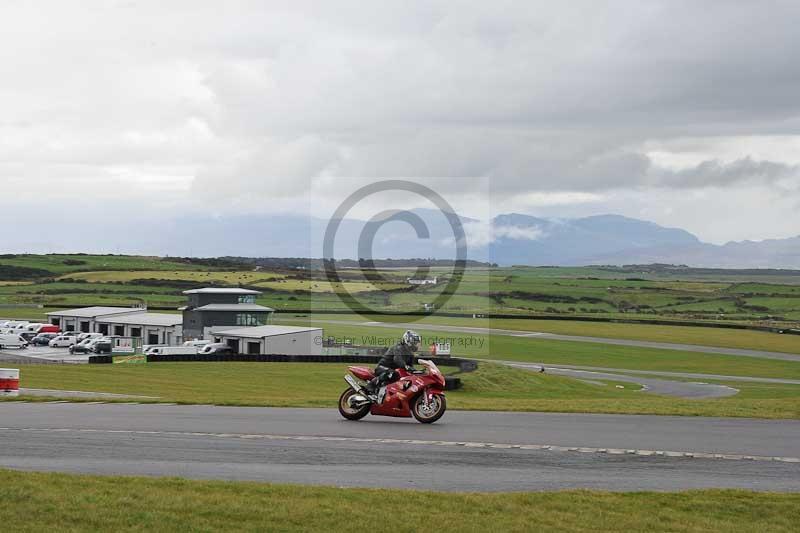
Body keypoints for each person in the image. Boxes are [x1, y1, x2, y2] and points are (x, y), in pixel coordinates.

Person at [364, 330, 421, 397]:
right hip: (382, 367)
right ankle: (371, 385)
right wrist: (407, 367)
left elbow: (410, 367)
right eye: (415, 343)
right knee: (392, 373)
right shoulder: (398, 347)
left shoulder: (410, 354)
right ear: (408, 341)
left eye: (417, 343)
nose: (416, 345)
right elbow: (398, 360)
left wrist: (416, 372)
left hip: (394, 371)